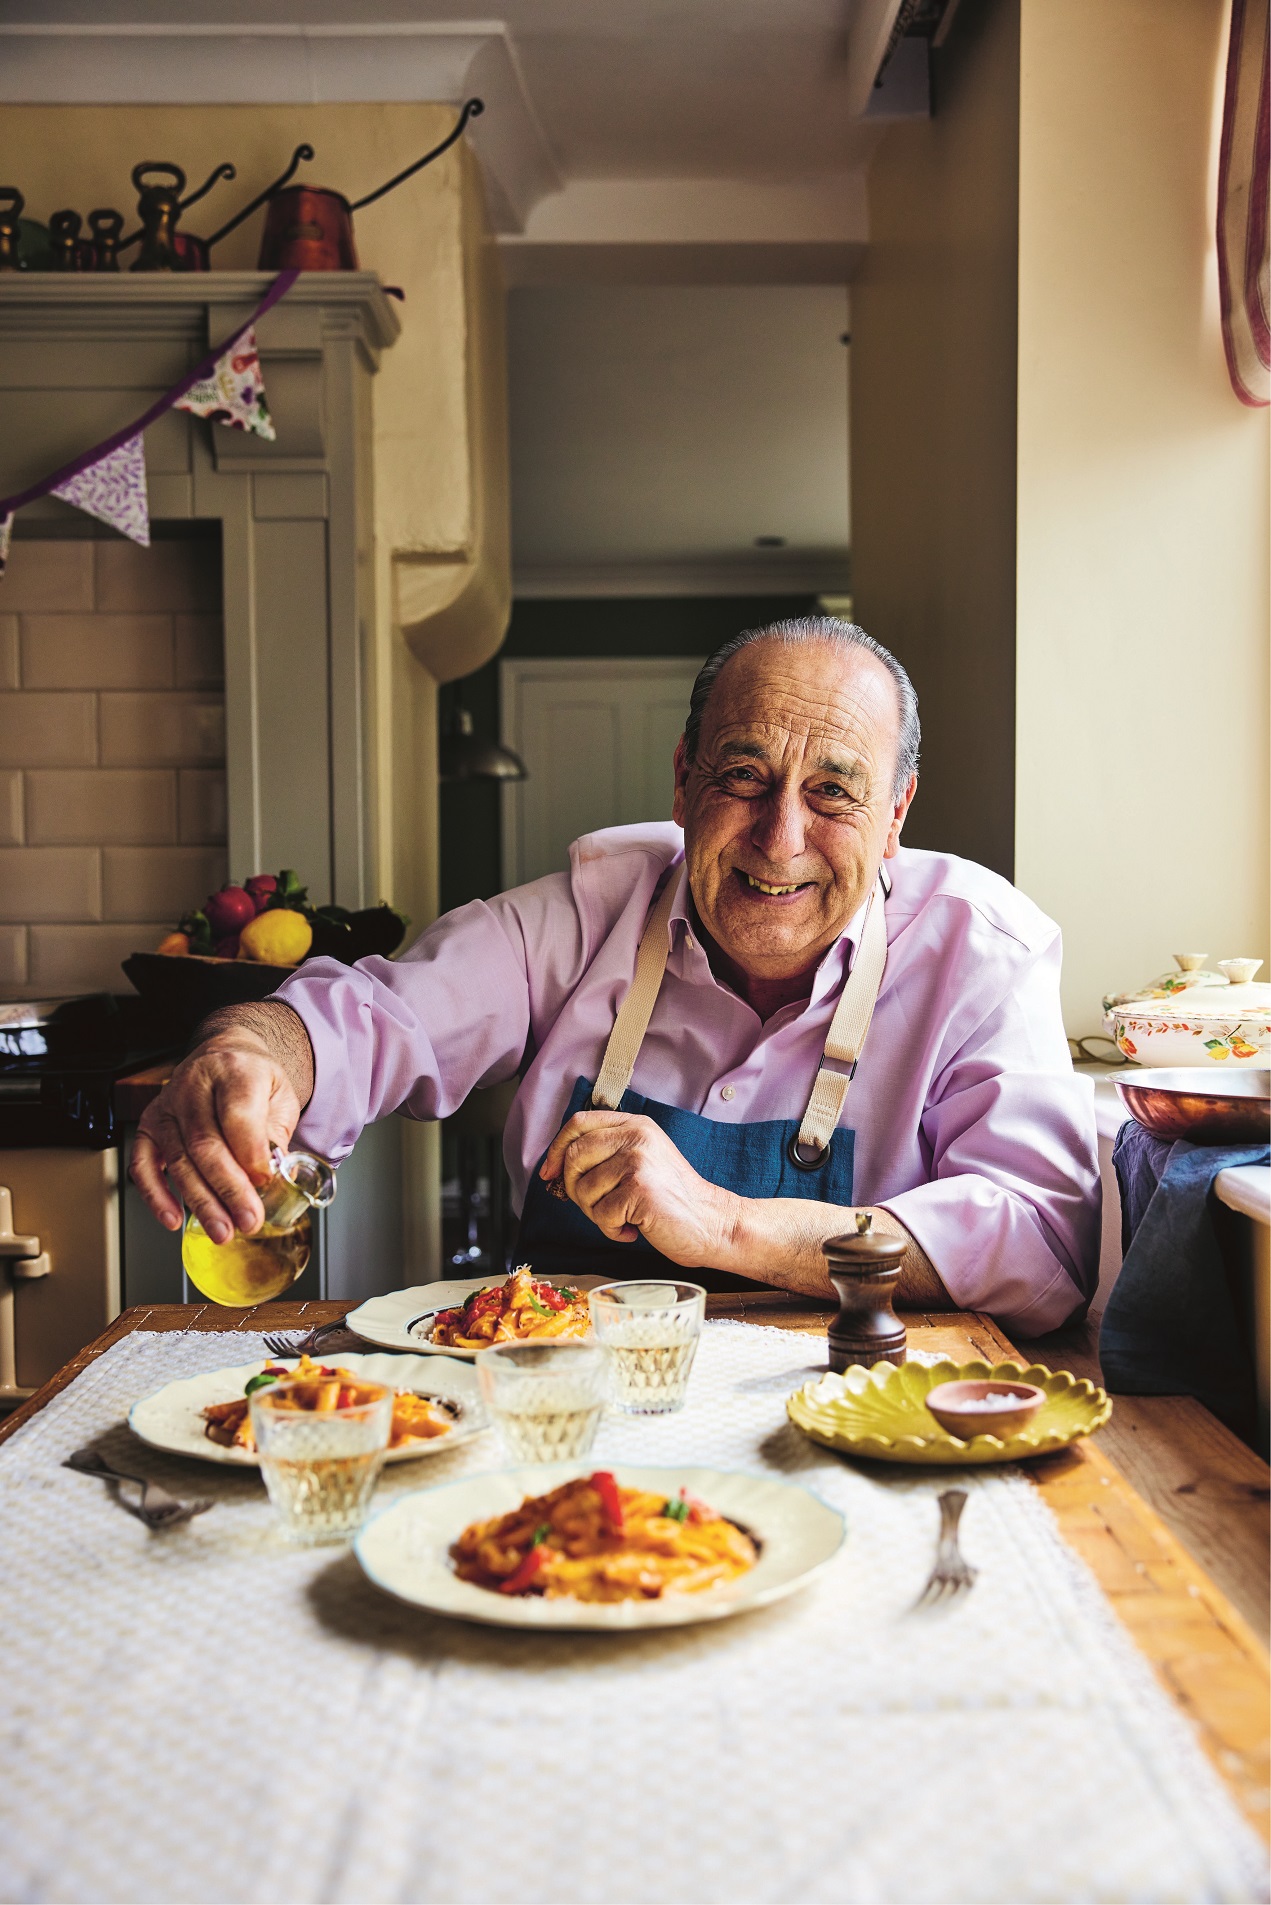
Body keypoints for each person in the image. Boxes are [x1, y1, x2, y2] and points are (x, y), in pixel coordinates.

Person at [131, 617, 1099, 1331]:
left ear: (895, 816)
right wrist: (255, 1048)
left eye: (832, 794)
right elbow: (384, 1013)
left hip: (847, 1431)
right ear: (682, 782)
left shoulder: (979, 952)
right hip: (563, 1432)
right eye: (742, 777)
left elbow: (1039, 1238)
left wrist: (723, 1225)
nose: (780, 838)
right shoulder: (586, 914)